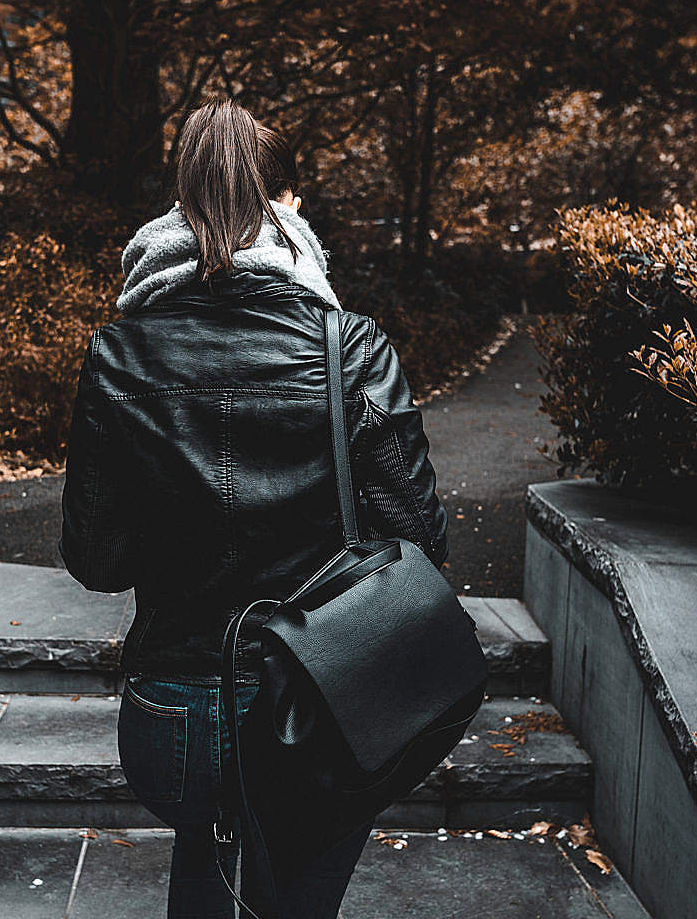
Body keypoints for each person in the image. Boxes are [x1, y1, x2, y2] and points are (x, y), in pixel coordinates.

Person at [59, 98, 448, 918]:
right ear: (285, 209)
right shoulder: (350, 348)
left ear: (177, 206)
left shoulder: (119, 354)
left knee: (203, 871)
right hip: (323, 699)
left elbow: (97, 560)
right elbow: (418, 539)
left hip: (174, 713)